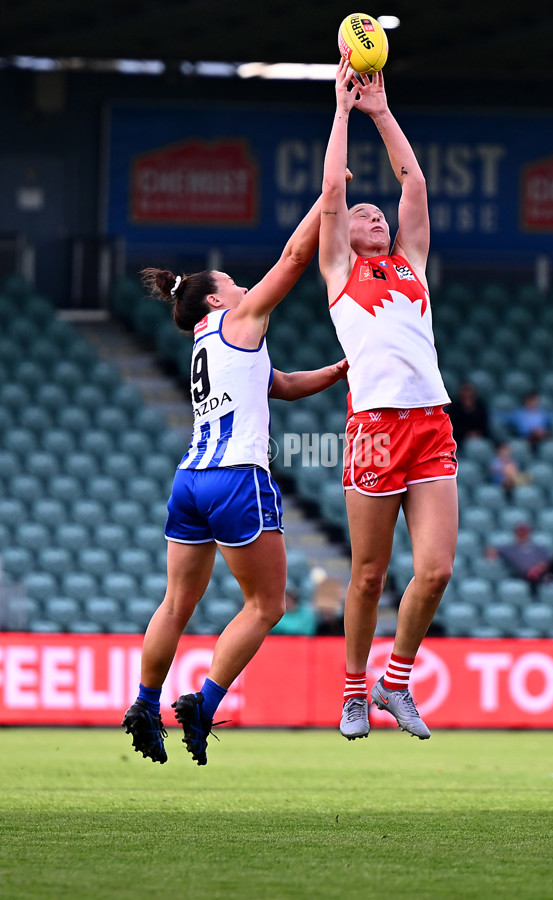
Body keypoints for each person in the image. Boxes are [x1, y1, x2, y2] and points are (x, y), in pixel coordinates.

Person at [122, 193, 350, 766]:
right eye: (234, 283)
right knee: (267, 604)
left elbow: (283, 385)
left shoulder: (210, 341)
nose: (245, 287)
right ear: (216, 299)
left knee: (176, 603)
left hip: (190, 480)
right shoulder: (239, 319)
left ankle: (145, 703)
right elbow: (294, 257)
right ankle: (204, 703)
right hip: (236, 478)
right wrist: (328, 199)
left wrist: (341, 369)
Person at [318, 60, 458, 741]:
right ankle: (353, 692)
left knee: (435, 571)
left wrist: (379, 111)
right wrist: (342, 113)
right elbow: (331, 194)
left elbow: (414, 183)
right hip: (374, 429)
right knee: (370, 575)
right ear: (343, 234)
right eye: (360, 214)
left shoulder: (411, 263)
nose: (372, 214)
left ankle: (394, 682)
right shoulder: (339, 271)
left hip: (430, 423)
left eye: (378, 213)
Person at [488, 522, 553, 589]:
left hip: (544, 571)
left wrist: (540, 567)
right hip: (527, 576)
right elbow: (492, 551)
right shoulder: (509, 549)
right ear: (516, 534)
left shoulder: (538, 547)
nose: (523, 535)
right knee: (530, 578)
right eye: (520, 533)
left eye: (525, 532)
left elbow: (549, 560)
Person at [449, 381, 490, 447]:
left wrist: (477, 433)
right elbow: (452, 427)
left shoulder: (481, 406)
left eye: (469, 390)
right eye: (465, 390)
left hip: (480, 438)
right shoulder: (454, 409)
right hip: (460, 440)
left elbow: (485, 425)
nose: (467, 393)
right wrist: (466, 434)